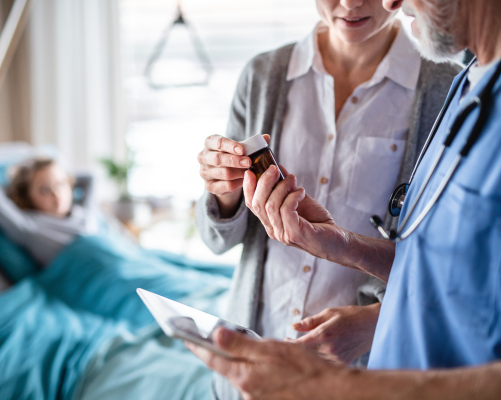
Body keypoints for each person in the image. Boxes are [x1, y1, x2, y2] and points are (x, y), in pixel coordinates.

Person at [188, 0, 501, 398]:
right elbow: (434, 260)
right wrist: (225, 193)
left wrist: (374, 324)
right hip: (258, 360)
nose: (355, 3)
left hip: (357, 375)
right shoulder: (263, 75)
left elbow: (461, 274)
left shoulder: (447, 84)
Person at [0, 157, 98, 265]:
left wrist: (56, 176)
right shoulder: (30, 227)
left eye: (60, 184)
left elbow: (90, 178)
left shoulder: (82, 211)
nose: (56, 194)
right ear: (27, 195)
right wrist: (15, 189)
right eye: (45, 189)